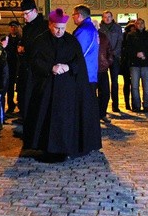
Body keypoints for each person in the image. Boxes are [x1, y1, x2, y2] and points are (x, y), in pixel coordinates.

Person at [23, 8, 101, 162]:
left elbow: (79, 62)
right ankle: (46, 148)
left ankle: (64, 147)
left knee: (65, 120)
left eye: (62, 29)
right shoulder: (40, 41)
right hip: (46, 89)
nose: (59, 32)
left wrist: (68, 67)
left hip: (67, 90)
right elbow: (35, 62)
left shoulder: (71, 41)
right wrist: (50, 68)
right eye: (56, 28)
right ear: (50, 25)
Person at [18, 0, 48, 120]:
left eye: (26, 13)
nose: (24, 17)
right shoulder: (27, 28)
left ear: (35, 11)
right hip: (27, 70)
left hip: (38, 72)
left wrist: (26, 49)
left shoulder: (44, 27)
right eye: (23, 14)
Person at [71, 5, 102, 121]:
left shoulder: (83, 30)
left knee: (84, 106)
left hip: (84, 73)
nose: (72, 17)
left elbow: (78, 52)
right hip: (90, 72)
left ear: (79, 15)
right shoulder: (90, 28)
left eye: (73, 15)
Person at [125, 18, 148, 113]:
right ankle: (136, 105)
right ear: (135, 25)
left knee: (146, 86)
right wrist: (136, 54)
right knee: (135, 86)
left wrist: (145, 55)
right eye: (138, 23)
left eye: (142, 23)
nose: (140, 25)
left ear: (144, 24)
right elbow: (128, 48)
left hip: (146, 63)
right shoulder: (130, 35)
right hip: (134, 64)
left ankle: (146, 105)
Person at [99, 11, 123, 113]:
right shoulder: (100, 28)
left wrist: (114, 54)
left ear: (112, 17)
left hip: (114, 57)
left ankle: (115, 105)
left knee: (115, 81)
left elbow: (120, 41)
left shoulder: (117, 28)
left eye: (109, 17)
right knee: (103, 83)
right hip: (102, 58)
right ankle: (102, 106)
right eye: (105, 17)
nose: (107, 19)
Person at [4, 21, 21, 115]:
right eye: (11, 27)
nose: (13, 28)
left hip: (18, 65)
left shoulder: (21, 38)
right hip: (10, 65)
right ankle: (10, 105)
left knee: (19, 86)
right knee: (9, 86)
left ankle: (19, 104)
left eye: (14, 26)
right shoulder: (7, 39)